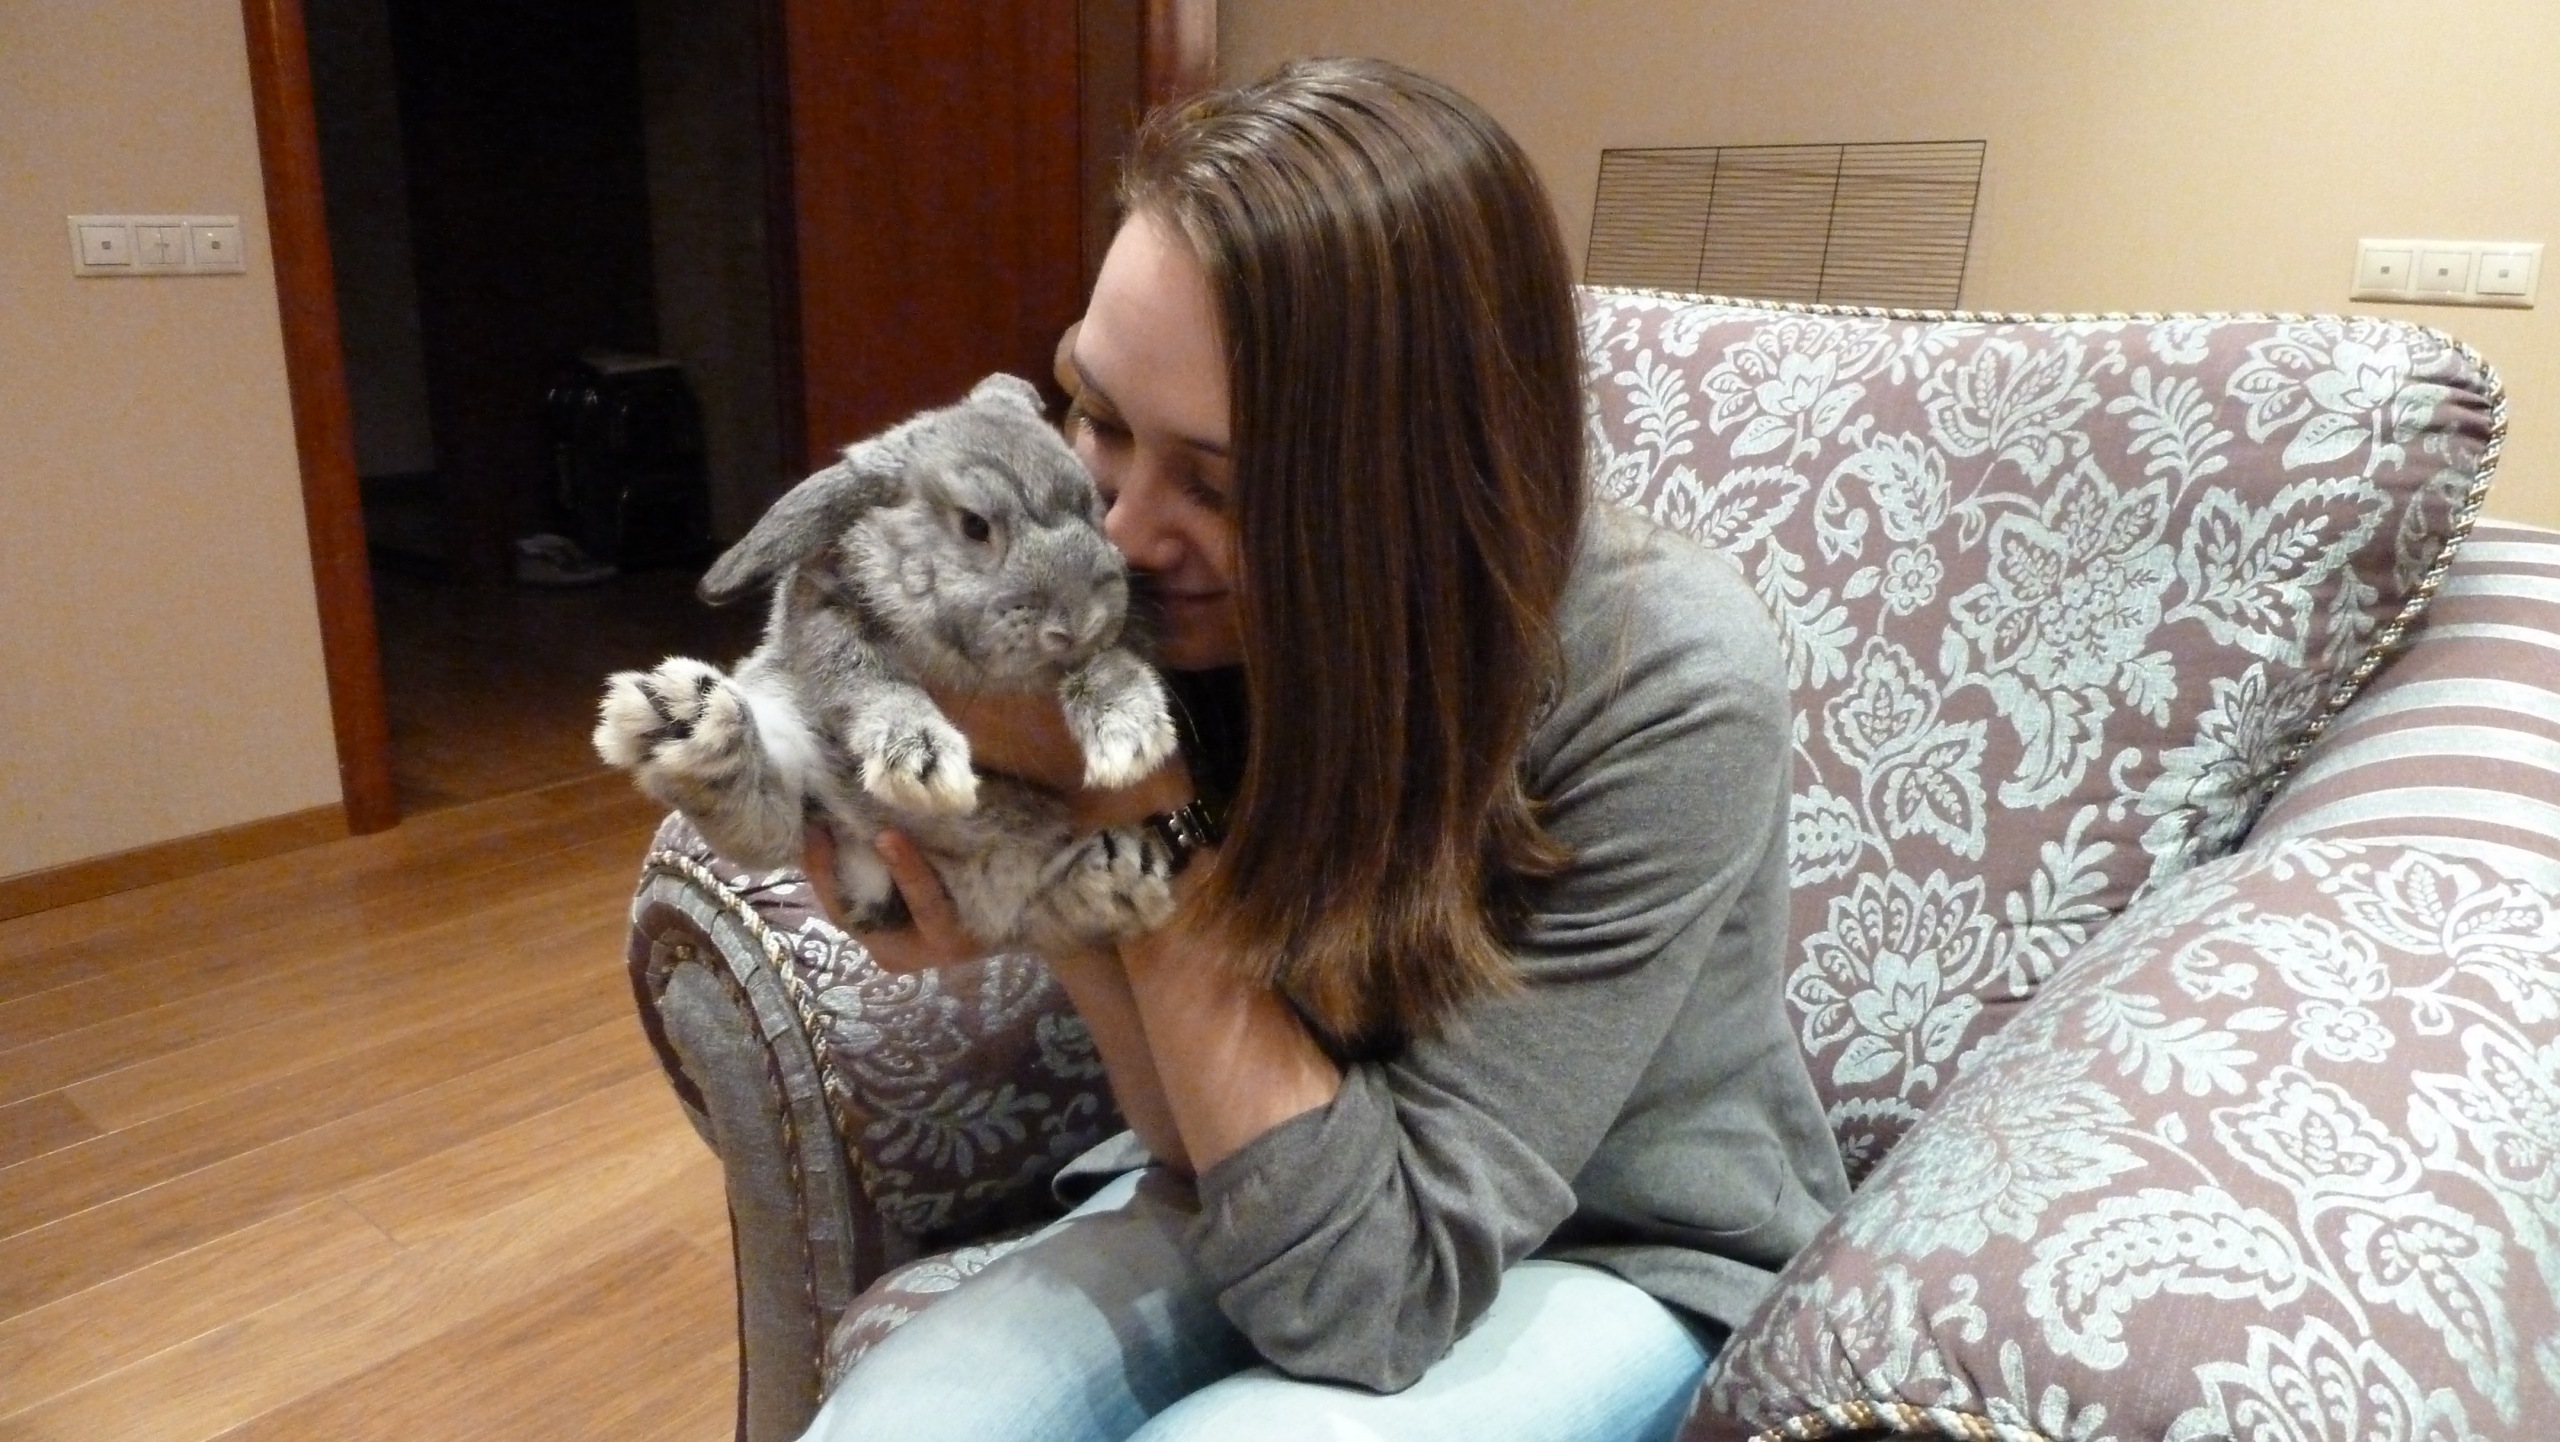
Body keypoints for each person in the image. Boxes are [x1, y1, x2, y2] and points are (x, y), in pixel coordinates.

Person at [794, 57, 1848, 1442]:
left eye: (1222, 487)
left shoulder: (1665, 678)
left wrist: (1132, 798)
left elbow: (1369, 1298)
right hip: (1281, 1173)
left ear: (1412, 488)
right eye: (1099, 414)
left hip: (1616, 1247)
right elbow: (1195, 1136)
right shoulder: (1151, 600)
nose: (1122, 534)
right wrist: (1022, 849)